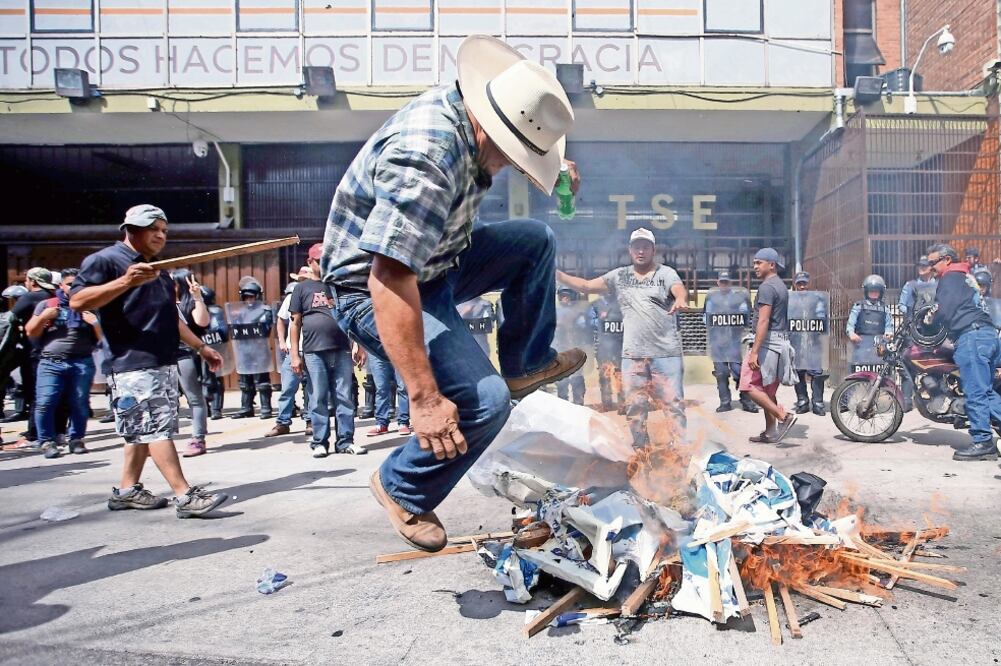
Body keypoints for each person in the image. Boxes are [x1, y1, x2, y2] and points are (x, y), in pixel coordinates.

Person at [321, 35, 584, 552]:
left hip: (441, 266)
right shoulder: (426, 159)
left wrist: (548, 165)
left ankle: (525, 362)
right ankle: (403, 486)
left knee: (534, 240)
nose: (511, 166)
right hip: (377, 291)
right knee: (484, 402)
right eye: (514, 156)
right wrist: (423, 398)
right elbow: (388, 278)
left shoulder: (472, 121)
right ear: (491, 126)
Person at [70, 204, 228, 518]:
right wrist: (125, 282)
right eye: (153, 229)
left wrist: (200, 347)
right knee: (156, 430)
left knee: (142, 429)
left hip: (162, 359)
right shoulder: (105, 261)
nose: (160, 235)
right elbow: (78, 300)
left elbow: (170, 316)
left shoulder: (158, 268)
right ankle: (184, 496)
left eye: (164, 230)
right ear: (131, 229)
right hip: (133, 362)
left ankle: (127, 490)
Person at [557, 227, 687, 447]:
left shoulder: (666, 273)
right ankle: (641, 448)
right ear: (630, 250)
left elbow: (678, 288)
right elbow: (587, 286)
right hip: (632, 354)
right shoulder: (620, 276)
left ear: (653, 250)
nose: (641, 251)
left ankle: (680, 450)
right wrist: (556, 274)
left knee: (672, 404)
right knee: (635, 406)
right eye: (637, 246)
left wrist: (681, 299)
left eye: (646, 246)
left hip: (666, 353)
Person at [926, 244, 1001, 461]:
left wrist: (929, 320)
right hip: (986, 336)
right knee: (985, 392)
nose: (931, 268)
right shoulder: (966, 277)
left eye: (933, 263)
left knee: (975, 393)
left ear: (947, 259)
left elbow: (944, 309)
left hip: (972, 338)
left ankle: (983, 442)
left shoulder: (950, 278)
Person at [291, 243, 365, 458]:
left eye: (326, 260)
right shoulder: (301, 289)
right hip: (314, 351)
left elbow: (351, 317)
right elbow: (295, 324)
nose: (323, 264)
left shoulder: (338, 285)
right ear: (309, 262)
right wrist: (295, 355)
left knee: (345, 396)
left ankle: (345, 441)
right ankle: (319, 442)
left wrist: (359, 345)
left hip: (342, 349)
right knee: (318, 397)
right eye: (318, 261)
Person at [24, 269, 101, 459]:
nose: (73, 288)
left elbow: (101, 340)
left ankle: (76, 439)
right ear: (61, 285)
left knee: (80, 403)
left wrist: (95, 323)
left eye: (78, 285)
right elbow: (30, 331)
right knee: (46, 402)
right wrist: (44, 317)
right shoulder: (48, 304)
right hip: (51, 362)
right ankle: (47, 441)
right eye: (69, 284)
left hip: (81, 362)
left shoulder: (90, 306)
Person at [740, 248, 796, 444]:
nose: (755, 266)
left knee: (747, 385)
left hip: (768, 343)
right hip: (780, 341)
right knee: (767, 390)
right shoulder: (780, 285)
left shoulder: (766, 287)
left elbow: (763, 321)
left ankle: (783, 416)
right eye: (754, 263)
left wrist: (754, 351)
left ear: (771, 264)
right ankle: (771, 432)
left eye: (759, 263)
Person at [3, 267, 57, 446]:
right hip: (54, 349)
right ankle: (54, 431)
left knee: (34, 394)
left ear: (33, 281)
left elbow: (11, 319)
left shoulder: (29, 297)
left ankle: (34, 433)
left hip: (33, 352)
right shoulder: (54, 296)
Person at [267, 266, 313, 438]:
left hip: (311, 349)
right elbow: (281, 319)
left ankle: (310, 420)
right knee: (287, 388)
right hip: (293, 350)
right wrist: (281, 341)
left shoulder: (315, 296)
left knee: (311, 389)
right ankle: (282, 422)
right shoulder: (291, 297)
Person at [704, 270, 758, 414]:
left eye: (726, 282)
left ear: (730, 283)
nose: (724, 284)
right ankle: (725, 402)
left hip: (735, 342)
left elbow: (745, 316)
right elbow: (706, 318)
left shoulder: (738, 298)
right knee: (721, 374)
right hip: (717, 342)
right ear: (718, 283)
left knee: (740, 373)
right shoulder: (712, 298)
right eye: (722, 282)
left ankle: (746, 401)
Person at [171, 269, 211, 457]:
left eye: (173, 282)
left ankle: (198, 438)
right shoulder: (161, 302)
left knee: (194, 398)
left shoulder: (190, 303)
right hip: (162, 356)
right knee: (166, 401)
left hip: (185, 354)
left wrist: (198, 297)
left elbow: (202, 322)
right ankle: (160, 440)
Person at [228, 277, 274, 419]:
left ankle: (266, 408)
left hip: (259, 349)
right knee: (244, 380)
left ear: (258, 296)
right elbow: (235, 330)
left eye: (251, 296)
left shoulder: (265, 310)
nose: (249, 300)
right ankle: (246, 407)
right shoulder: (240, 312)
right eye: (246, 297)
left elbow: (265, 330)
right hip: (244, 349)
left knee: (263, 381)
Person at [789, 271, 829, 416]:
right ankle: (802, 402)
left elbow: (822, 318)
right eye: (799, 284)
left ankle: (818, 403)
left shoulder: (817, 299)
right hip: (796, 341)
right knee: (798, 371)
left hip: (813, 341)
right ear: (795, 284)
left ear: (809, 283)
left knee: (817, 372)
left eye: (804, 283)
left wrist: (819, 323)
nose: (802, 287)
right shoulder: (791, 300)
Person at [846, 274, 894, 372]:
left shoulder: (885, 309)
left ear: (881, 292)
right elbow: (851, 324)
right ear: (866, 291)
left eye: (876, 291)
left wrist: (888, 334)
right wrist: (851, 333)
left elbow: (889, 326)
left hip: (879, 344)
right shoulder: (859, 306)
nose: (874, 293)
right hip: (861, 344)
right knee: (858, 372)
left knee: (880, 372)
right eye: (871, 290)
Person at [590, 292, 626, 413]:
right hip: (604, 345)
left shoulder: (623, 302)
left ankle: (623, 404)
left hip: (620, 345)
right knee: (604, 375)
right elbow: (589, 321)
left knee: (620, 375)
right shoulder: (596, 304)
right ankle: (607, 403)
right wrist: (599, 319)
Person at [553, 287, 590, 405]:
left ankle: (578, 403)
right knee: (561, 381)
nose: (564, 299)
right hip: (560, 351)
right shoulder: (555, 312)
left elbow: (583, 326)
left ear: (573, 297)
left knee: (577, 379)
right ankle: (563, 405)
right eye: (562, 296)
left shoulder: (579, 312)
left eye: (567, 296)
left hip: (575, 350)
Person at [199, 287, 227, 419]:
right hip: (203, 348)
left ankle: (215, 409)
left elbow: (223, 332)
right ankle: (210, 409)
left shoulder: (215, 312)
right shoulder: (212, 311)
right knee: (206, 379)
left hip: (211, 347)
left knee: (213, 378)